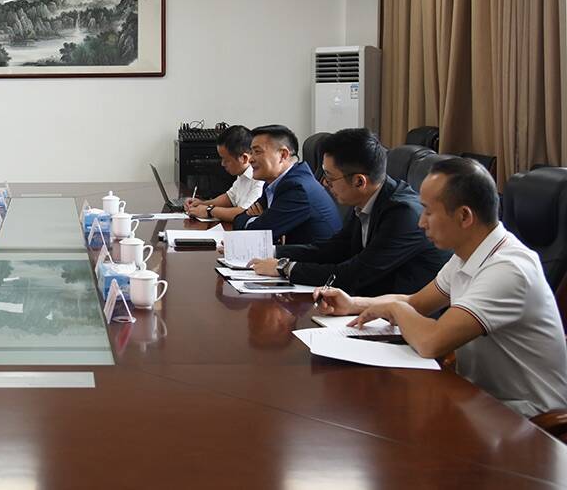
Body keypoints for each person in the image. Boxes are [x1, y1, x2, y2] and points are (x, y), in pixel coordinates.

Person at [315, 157, 567, 417]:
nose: (421, 222)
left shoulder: (508, 269)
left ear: (464, 216)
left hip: (528, 417)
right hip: (479, 397)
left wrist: (394, 308)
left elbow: (431, 342)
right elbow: (416, 303)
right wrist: (352, 304)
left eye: (428, 211)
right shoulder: (467, 254)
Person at [249, 128, 451, 296]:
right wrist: (272, 252)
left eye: (330, 178)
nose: (324, 184)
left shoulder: (403, 214)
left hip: (405, 319)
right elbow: (334, 249)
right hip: (371, 305)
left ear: (359, 181)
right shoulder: (367, 201)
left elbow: (355, 274)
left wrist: (284, 268)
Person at [232, 124, 341, 244]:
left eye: (257, 152)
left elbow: (256, 234)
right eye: (251, 152)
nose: (251, 159)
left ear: (283, 155)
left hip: (315, 255)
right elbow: (239, 220)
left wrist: (257, 220)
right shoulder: (272, 184)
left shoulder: (297, 188)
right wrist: (259, 220)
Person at [185, 124, 264, 223]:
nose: (222, 164)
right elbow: (229, 198)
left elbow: (244, 213)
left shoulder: (260, 179)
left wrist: (209, 211)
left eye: (226, 160)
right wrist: (202, 204)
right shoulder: (242, 175)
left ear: (244, 158)